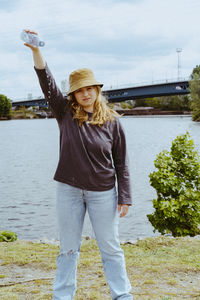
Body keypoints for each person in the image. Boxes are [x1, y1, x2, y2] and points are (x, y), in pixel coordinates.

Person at [24, 30, 133, 300]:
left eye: (89, 89)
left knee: (110, 247)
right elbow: (46, 81)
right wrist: (37, 51)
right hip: (69, 191)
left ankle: (122, 295)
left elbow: (122, 163)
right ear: (73, 95)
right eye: (79, 90)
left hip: (103, 193)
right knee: (68, 248)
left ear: (97, 91)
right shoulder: (64, 113)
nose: (85, 94)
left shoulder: (113, 122)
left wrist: (125, 196)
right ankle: (63, 297)